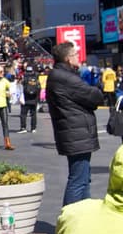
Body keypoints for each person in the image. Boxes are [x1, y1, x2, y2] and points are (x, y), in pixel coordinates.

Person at [45, 42, 104, 206]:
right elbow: (95, 97)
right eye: (76, 54)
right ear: (68, 58)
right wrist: (96, 86)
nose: (79, 58)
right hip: (76, 133)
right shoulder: (66, 78)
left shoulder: (59, 75)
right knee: (78, 180)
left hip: (74, 132)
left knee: (83, 178)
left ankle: (83, 218)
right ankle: (70, 220)